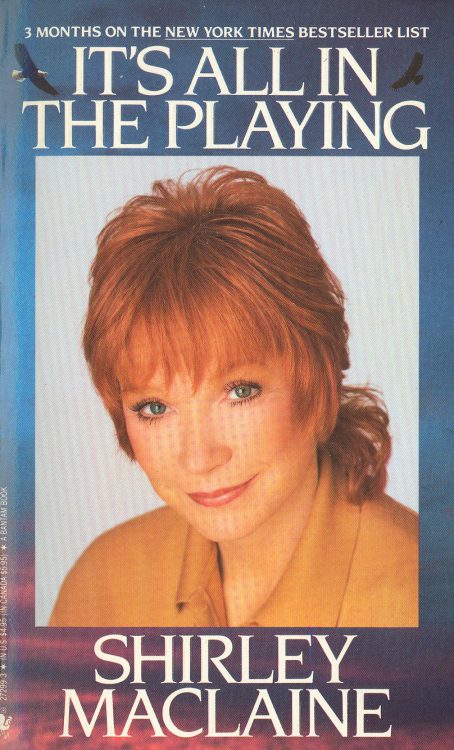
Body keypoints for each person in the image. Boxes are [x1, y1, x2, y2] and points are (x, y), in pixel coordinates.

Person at [49, 166, 418, 628]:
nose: (199, 457)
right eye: (155, 408)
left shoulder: (419, 596)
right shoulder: (101, 585)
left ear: (317, 373)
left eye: (240, 392)